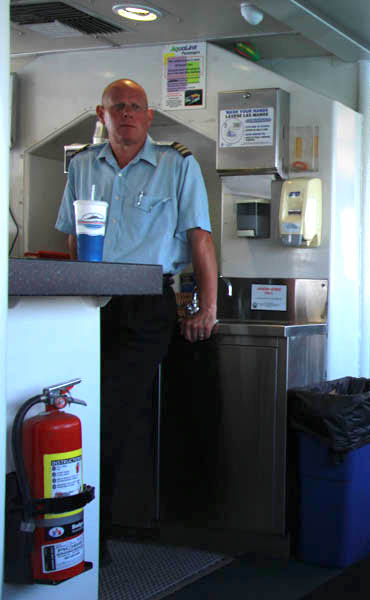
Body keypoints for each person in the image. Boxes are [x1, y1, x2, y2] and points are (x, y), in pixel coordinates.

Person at [54, 78, 217, 556]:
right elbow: (71, 240)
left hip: (146, 305)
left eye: (135, 107)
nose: (126, 114)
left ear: (148, 117)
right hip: (89, 303)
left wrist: (206, 307)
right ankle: (85, 531)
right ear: (100, 115)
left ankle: (92, 537)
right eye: (116, 107)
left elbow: (199, 239)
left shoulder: (177, 164)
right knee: (82, 411)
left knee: (111, 413)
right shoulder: (82, 166)